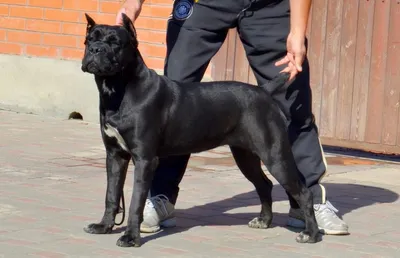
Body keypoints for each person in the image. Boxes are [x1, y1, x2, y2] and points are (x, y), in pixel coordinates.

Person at [116, 0, 349, 235]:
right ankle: (161, 196)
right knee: (173, 97)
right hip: (203, 3)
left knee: (291, 99)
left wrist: (297, 32)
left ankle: (308, 201)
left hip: (269, 6)